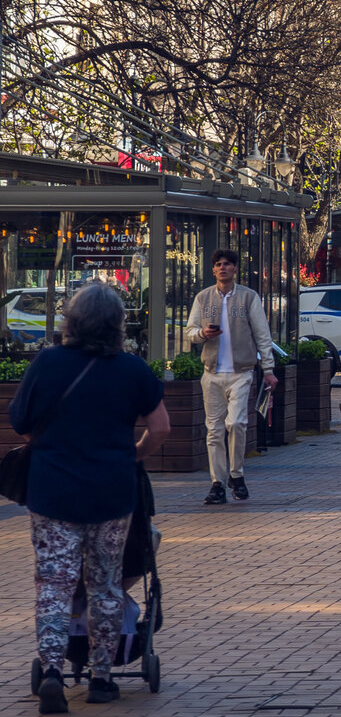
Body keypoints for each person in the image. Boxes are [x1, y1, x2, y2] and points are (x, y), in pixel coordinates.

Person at [10, 284, 168, 713]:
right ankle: (101, 677)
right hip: (111, 493)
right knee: (105, 584)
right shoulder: (132, 369)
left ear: (72, 321)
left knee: (54, 584)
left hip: (53, 493)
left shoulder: (47, 363)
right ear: (117, 324)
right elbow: (161, 428)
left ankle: (53, 672)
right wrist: (135, 454)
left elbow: (22, 423)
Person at [186, 248, 277, 506]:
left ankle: (236, 474)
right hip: (212, 373)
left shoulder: (248, 297)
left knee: (236, 423)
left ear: (235, 268)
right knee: (214, 430)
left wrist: (268, 369)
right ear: (213, 269)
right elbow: (190, 331)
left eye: (227, 264)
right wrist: (202, 334)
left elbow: (262, 335)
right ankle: (217, 482)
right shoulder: (203, 297)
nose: (222, 268)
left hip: (241, 372)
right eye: (218, 264)